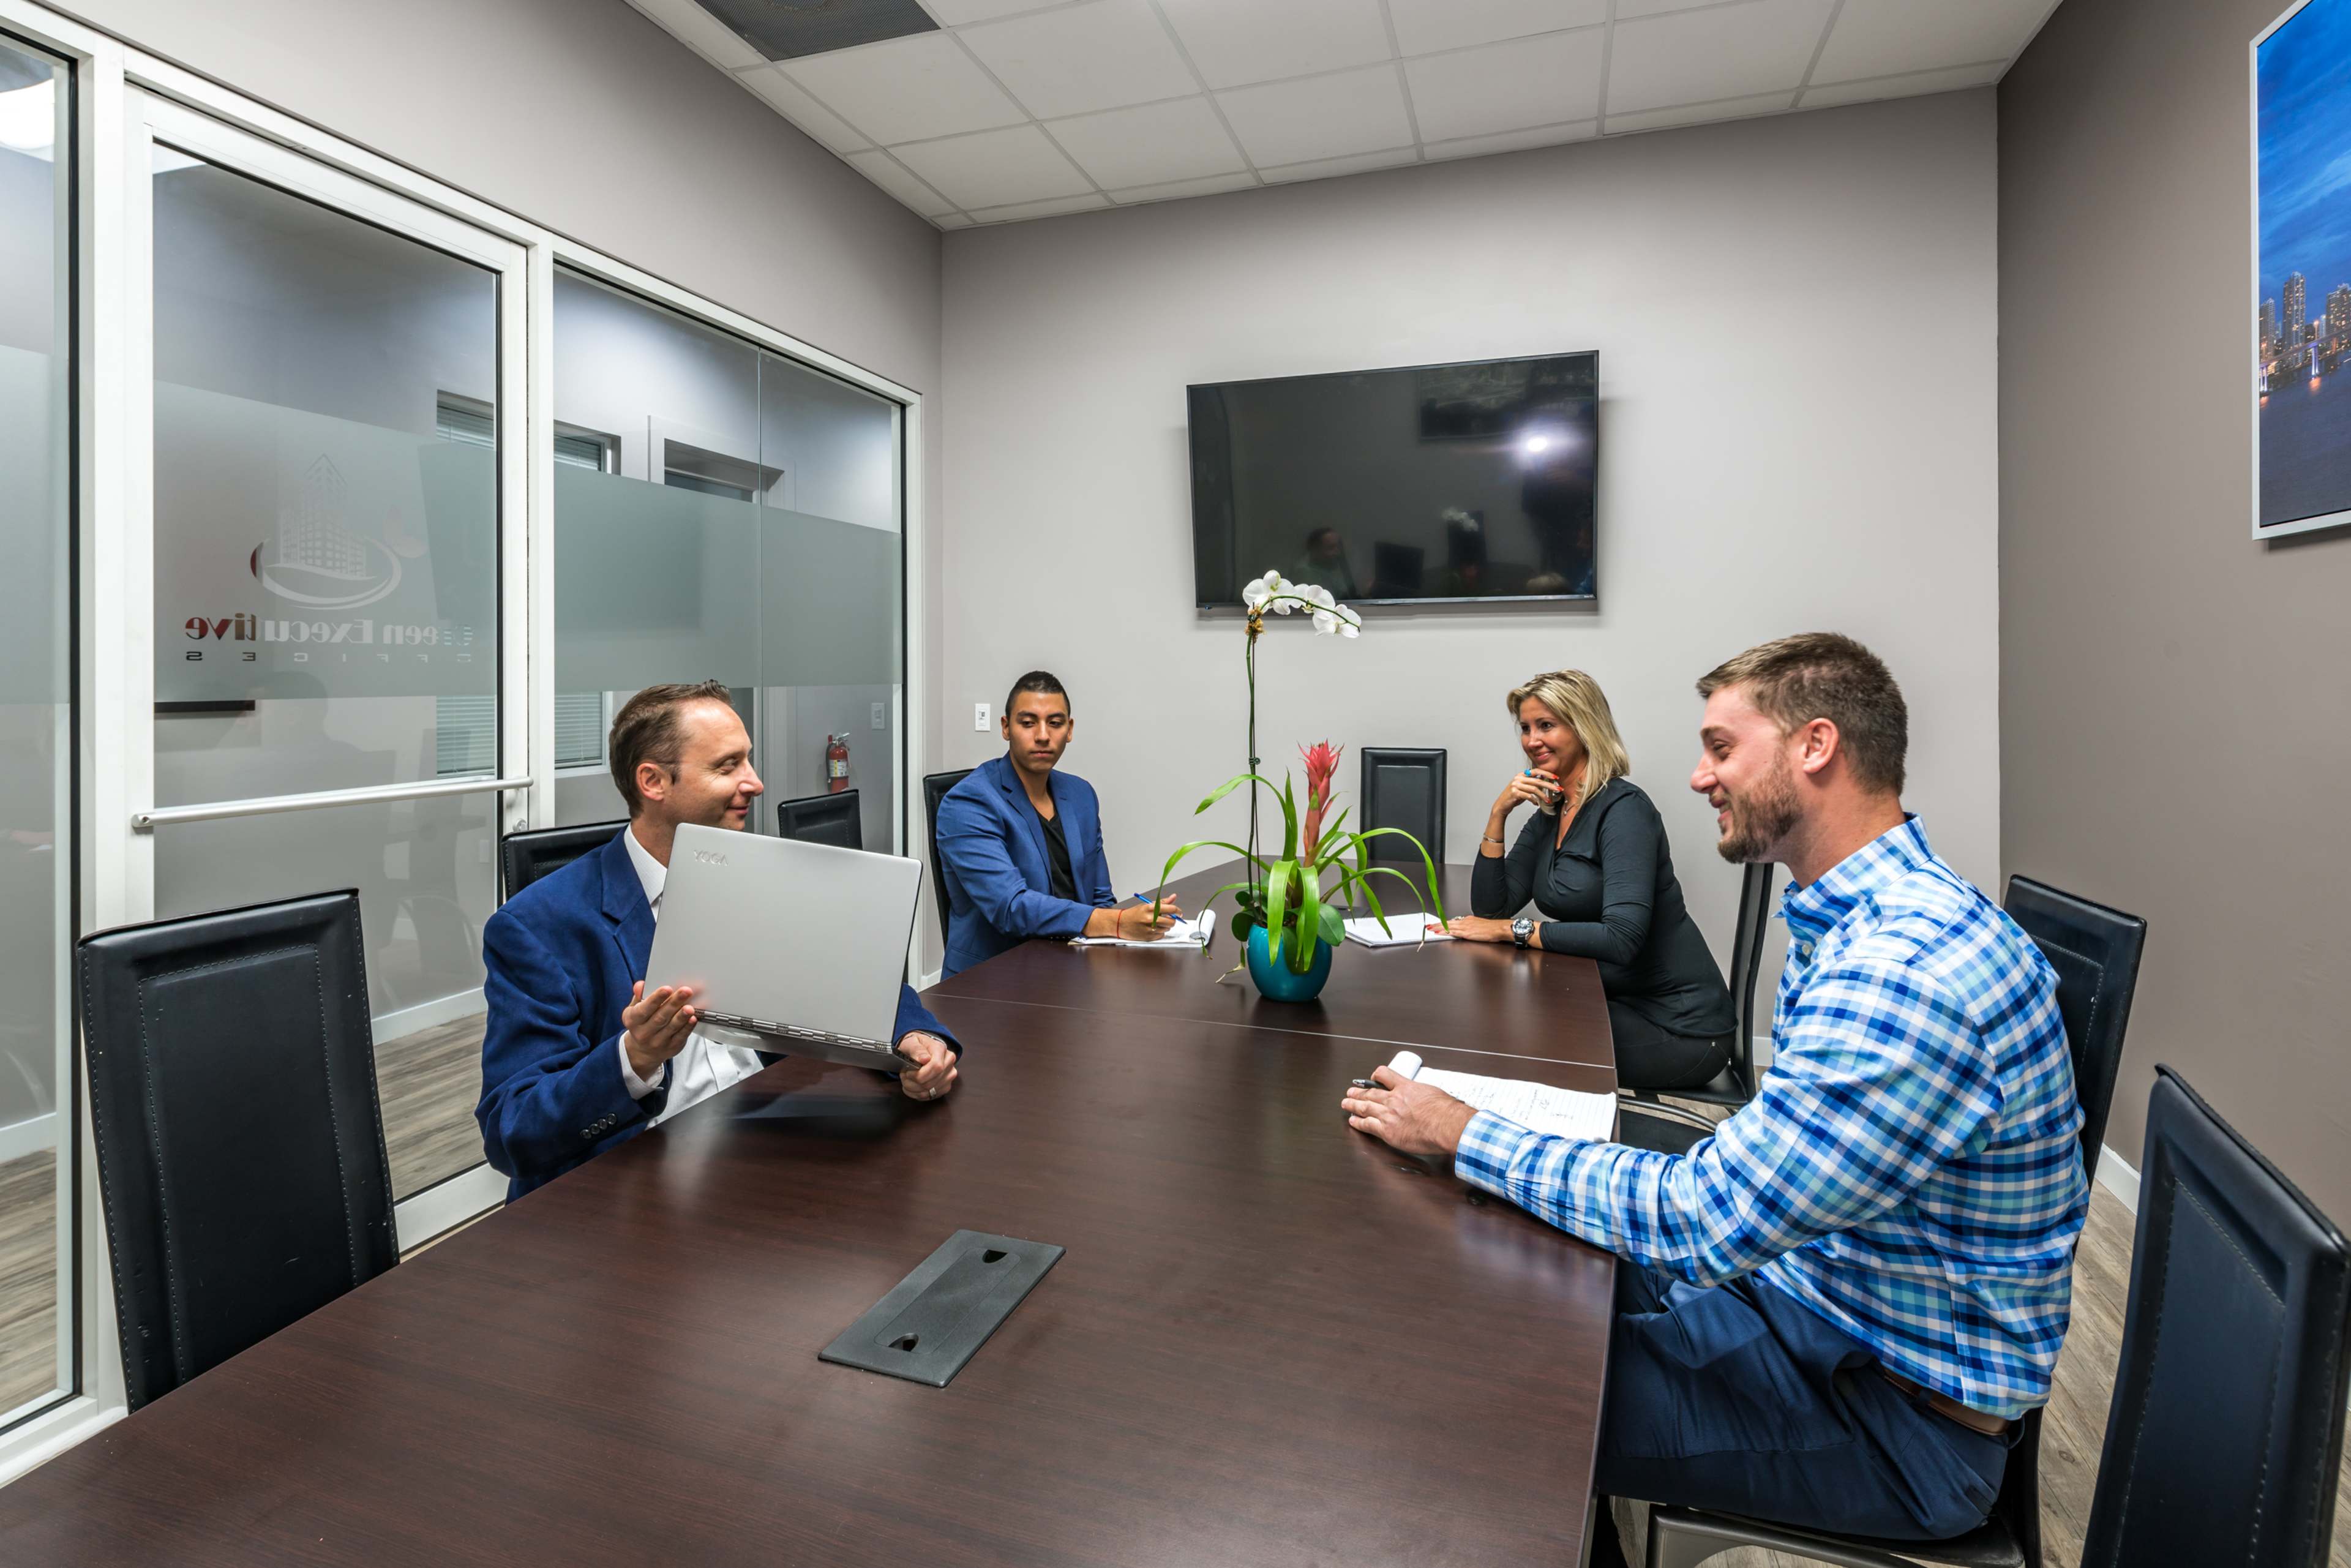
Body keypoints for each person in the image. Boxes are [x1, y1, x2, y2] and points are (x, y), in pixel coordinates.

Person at [1343, 634, 2087, 1557]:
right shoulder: (1865, 921)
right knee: (1503, 1267)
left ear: (1815, 746)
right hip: (1808, 1309)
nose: (1700, 776)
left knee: (1493, 1400)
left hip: (1890, 1422)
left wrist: (1466, 1133)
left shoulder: (1904, 975)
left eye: (1722, 748)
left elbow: (1706, 1217)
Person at [477, 681, 958, 1201]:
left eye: (748, 761)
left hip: (762, 1157)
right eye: (728, 766)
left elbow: (864, 981)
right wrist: (633, 1059)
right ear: (653, 782)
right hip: (627, 1197)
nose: (755, 782)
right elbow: (512, 1130)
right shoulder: (536, 926)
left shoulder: (763, 876)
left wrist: (918, 1038)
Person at [1449, 669, 1737, 1092]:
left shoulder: (1624, 810)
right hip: (1619, 1002)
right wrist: (1499, 813)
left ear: (1584, 727)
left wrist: (1515, 930)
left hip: (1683, 1030)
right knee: (1510, 1021)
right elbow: (1493, 907)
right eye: (1526, 728)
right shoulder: (1554, 811)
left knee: (1520, 1042)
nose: (1532, 740)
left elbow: (1621, 938)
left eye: (1547, 725)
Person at [936, 671, 1177, 978]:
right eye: (1027, 723)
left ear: (1070, 730)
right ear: (1006, 728)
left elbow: (1100, 897)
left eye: (1055, 722)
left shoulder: (1081, 795)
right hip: (992, 981)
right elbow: (1011, 907)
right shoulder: (968, 803)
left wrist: (1126, 930)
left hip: (1071, 967)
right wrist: (1116, 923)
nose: (1042, 735)